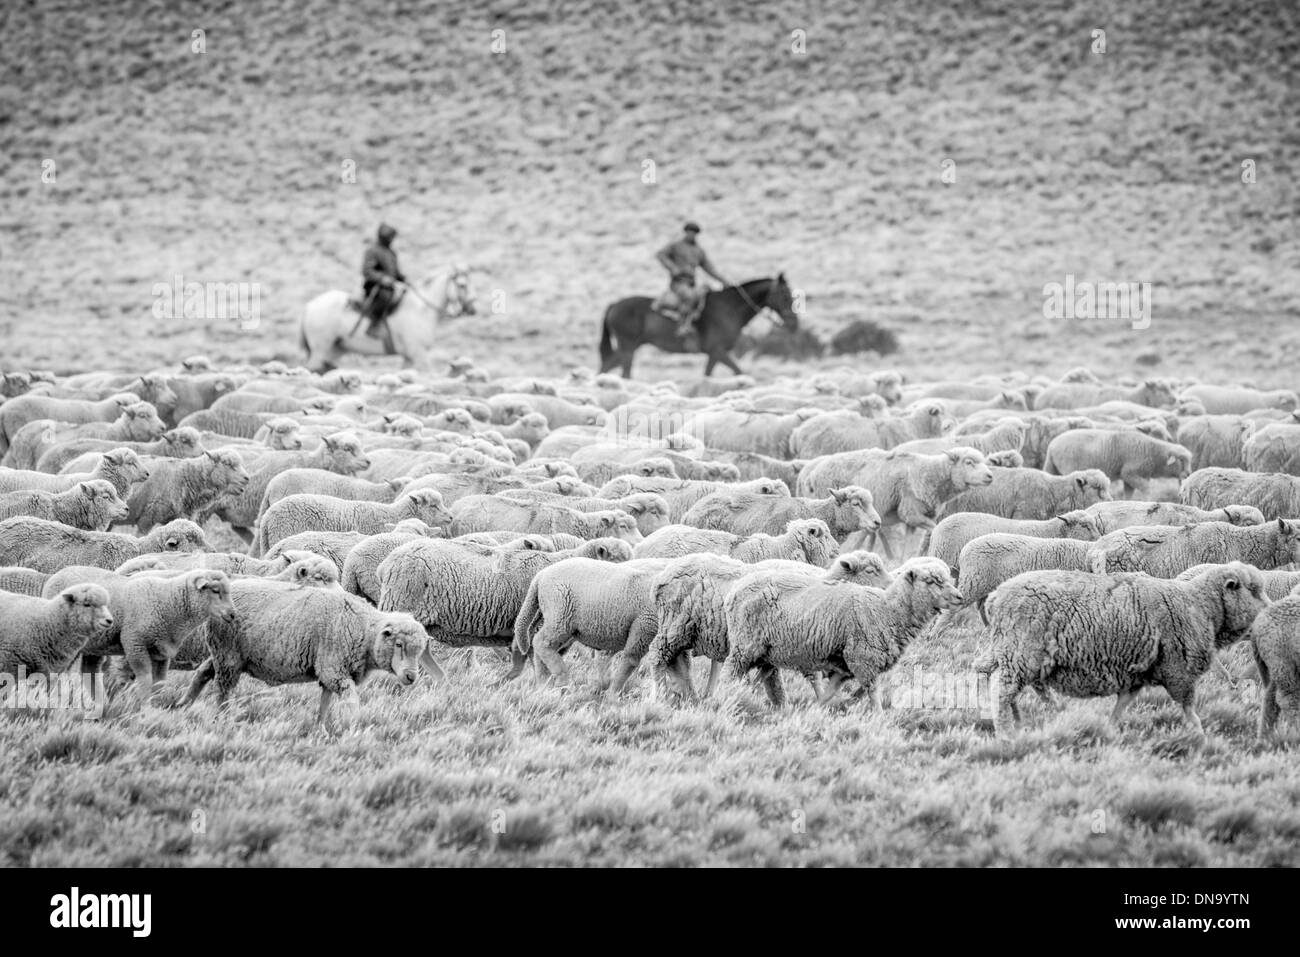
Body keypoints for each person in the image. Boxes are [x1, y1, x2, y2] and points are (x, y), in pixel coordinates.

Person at [653, 222, 730, 336]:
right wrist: (673, 267)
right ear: (686, 232)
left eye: (694, 233)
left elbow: (709, 268)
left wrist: (723, 280)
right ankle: (683, 325)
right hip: (678, 283)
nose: (692, 235)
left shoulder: (699, 251)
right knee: (689, 296)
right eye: (690, 232)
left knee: (707, 296)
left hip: (691, 283)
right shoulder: (676, 246)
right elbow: (660, 255)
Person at [360, 223, 406, 337]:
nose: (391, 240)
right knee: (385, 296)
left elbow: (395, 272)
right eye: (389, 237)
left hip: (390, 285)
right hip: (375, 286)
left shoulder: (391, 252)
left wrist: (403, 279)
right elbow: (367, 270)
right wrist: (382, 278)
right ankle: (374, 324)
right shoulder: (372, 250)